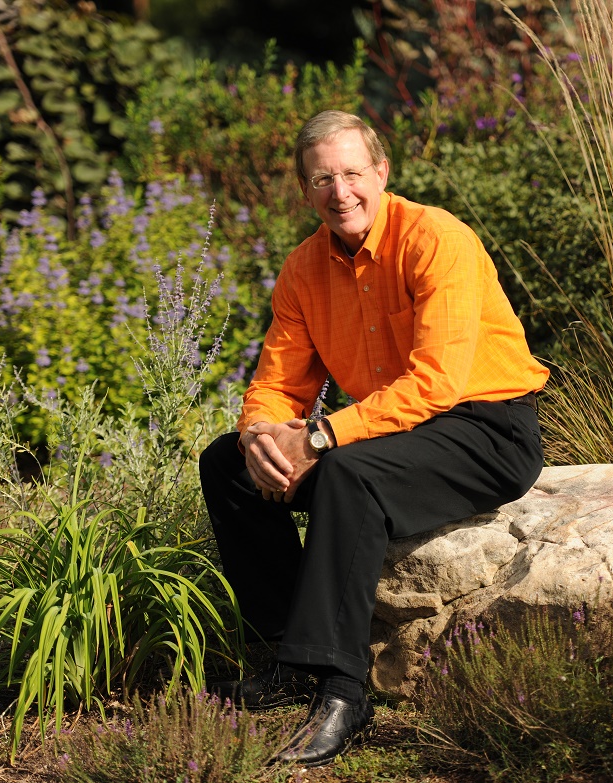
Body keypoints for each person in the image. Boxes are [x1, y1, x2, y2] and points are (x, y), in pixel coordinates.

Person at [199, 110, 548, 767]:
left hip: (486, 428)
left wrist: (323, 435)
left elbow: (436, 383)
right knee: (227, 466)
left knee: (347, 473)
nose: (340, 191)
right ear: (304, 190)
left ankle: (342, 691)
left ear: (382, 173)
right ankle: (288, 659)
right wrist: (258, 436)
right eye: (321, 178)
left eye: (352, 173)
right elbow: (276, 384)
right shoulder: (303, 268)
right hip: (397, 428)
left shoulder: (434, 238)